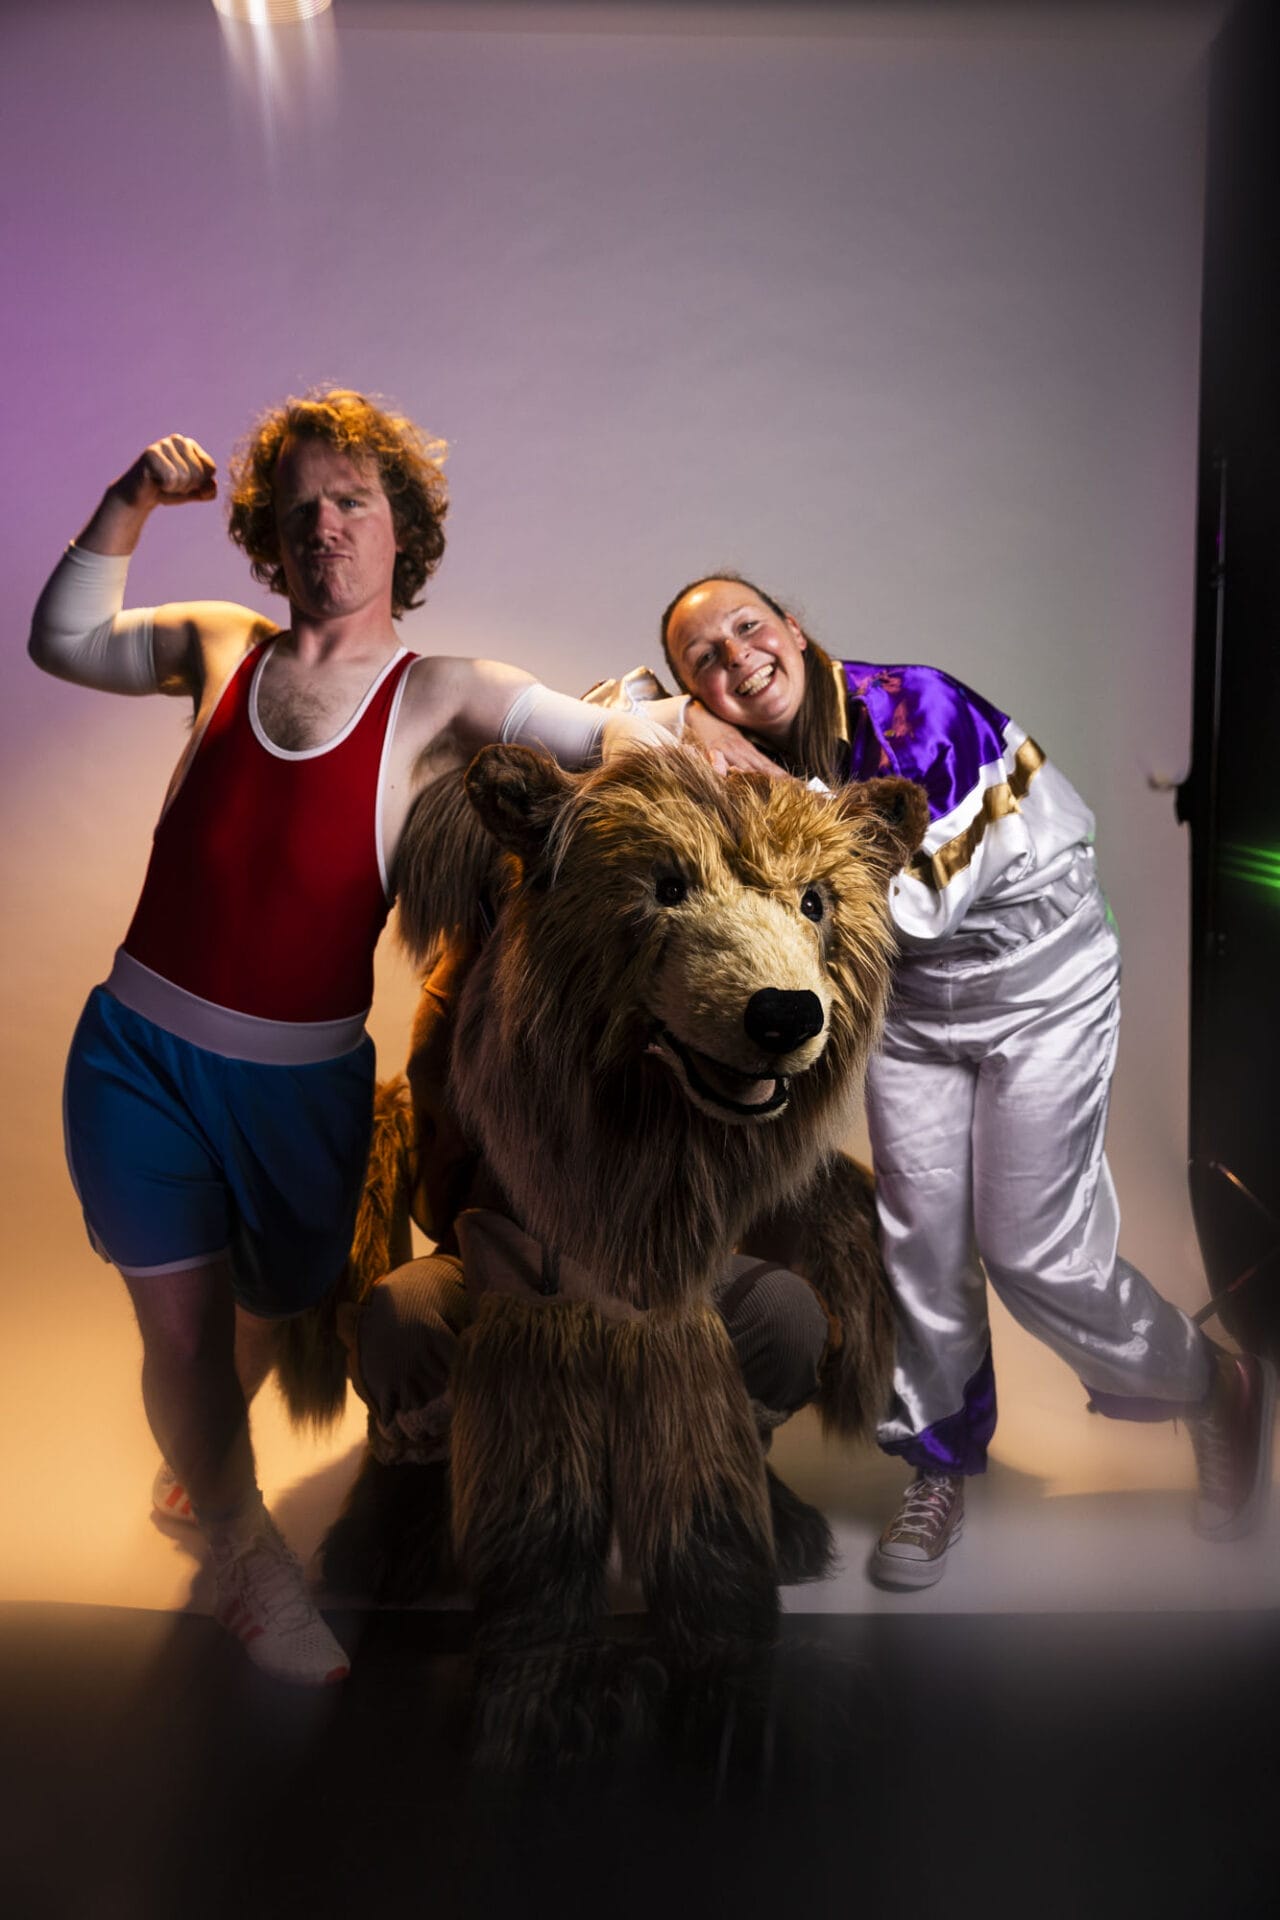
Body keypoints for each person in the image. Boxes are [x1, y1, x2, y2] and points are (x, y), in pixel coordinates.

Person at [28, 388, 666, 1683]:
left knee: (273, 1299)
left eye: (354, 502)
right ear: (271, 532)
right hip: (135, 1053)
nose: (326, 525)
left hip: (300, 1090)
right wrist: (129, 502)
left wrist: (694, 734)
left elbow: (605, 736)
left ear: (401, 530)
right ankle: (242, 1556)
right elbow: (64, 636)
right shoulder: (220, 646)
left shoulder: (443, 690)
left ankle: (202, 1457)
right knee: (186, 1336)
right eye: (301, 506)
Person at [614, 570, 1276, 1588]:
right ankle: (934, 1467)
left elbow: (914, 907)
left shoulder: (911, 705)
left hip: (1042, 982)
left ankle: (1207, 1385)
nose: (736, 657)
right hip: (916, 1013)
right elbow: (603, 712)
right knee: (914, 1248)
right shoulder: (736, 753)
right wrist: (663, 723)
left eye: (748, 628)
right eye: (703, 657)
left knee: (1033, 1252)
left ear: (792, 627)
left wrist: (738, 763)